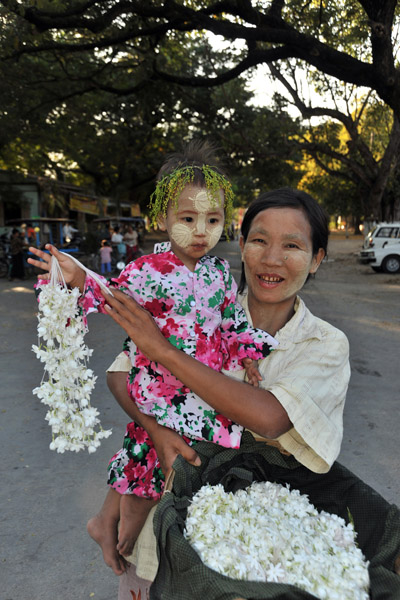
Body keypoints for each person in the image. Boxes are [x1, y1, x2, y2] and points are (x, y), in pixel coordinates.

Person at [27, 141, 277, 576]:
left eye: (213, 220)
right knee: (147, 481)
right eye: (187, 218)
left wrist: (248, 355)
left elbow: (233, 321)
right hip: (160, 397)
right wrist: (75, 278)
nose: (201, 231)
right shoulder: (145, 271)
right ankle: (120, 539)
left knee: (181, 476)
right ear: (162, 218)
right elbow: (109, 296)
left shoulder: (219, 272)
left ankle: (116, 530)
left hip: (204, 392)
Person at [94, 186, 351, 594]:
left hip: (247, 543)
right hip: (158, 526)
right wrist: (154, 439)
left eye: (292, 246)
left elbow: (269, 417)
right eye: (259, 241)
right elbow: (121, 375)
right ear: (242, 245)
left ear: (317, 258)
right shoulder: (201, 303)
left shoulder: (324, 343)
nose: (271, 259)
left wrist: (161, 349)